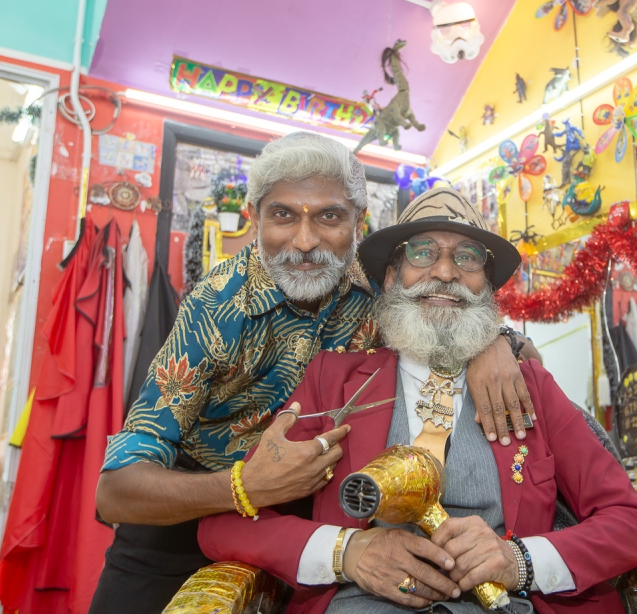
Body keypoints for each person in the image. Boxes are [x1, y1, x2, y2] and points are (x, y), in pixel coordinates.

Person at [91, 134, 537, 614]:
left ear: (356, 223)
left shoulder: (374, 291)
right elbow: (115, 491)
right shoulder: (216, 308)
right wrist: (243, 487)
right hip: (191, 510)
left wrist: (497, 343)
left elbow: (450, 304)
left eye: (329, 216)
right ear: (253, 216)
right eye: (283, 214)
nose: (306, 241)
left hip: (317, 521)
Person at [198, 186, 637, 613]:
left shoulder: (530, 387)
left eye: (467, 257)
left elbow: (633, 525)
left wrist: (516, 559)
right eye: (422, 253)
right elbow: (226, 524)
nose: (444, 272)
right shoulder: (333, 381)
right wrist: (347, 552)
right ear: (393, 275)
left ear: (487, 285)